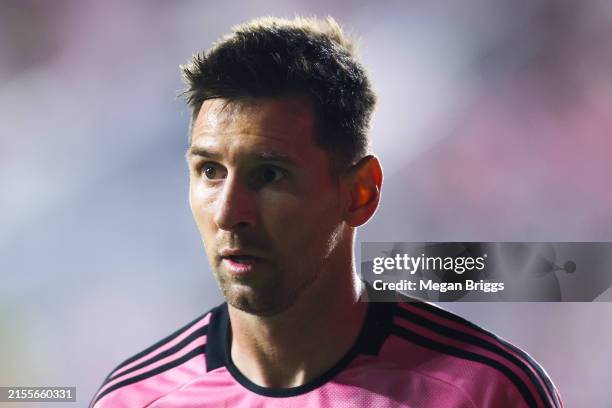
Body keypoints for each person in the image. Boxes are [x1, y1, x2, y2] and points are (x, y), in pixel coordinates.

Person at [90, 16, 563, 407]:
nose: (229, 212)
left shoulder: (485, 391)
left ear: (360, 193)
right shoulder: (133, 399)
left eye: (270, 174)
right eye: (210, 171)